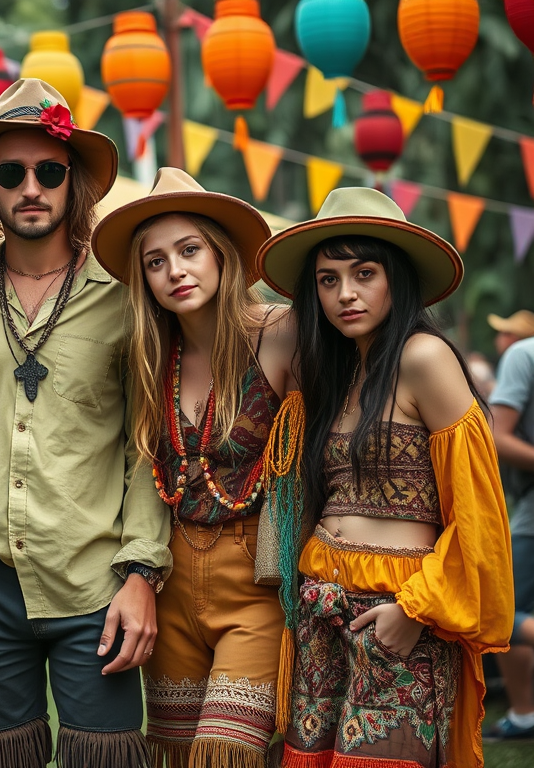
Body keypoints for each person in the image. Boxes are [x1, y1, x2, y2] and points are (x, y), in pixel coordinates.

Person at [0, 79, 172, 768]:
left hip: (96, 579)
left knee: (105, 758)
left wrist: (142, 573)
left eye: (49, 171)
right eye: (11, 173)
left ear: (74, 183)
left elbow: (145, 446)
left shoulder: (127, 297)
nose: (31, 187)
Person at [256, 187, 513, 767]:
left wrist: (416, 611)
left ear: (395, 277)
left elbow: (479, 515)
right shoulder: (337, 372)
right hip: (321, 609)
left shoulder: (423, 358)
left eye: (364, 272)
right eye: (327, 279)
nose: (345, 293)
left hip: (398, 611)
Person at [90, 167, 298, 767]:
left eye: (189, 250)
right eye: (155, 262)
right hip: (171, 578)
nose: (174, 270)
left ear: (221, 254)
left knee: (225, 752)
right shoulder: (150, 354)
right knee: (179, 756)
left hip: (256, 580)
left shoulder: (282, 334)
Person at [484, 314, 534, 740]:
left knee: (500, 612)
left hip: (530, 517)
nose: (501, 339)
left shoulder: (524, 354)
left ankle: (522, 714)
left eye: (506, 331)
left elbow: (497, 434)